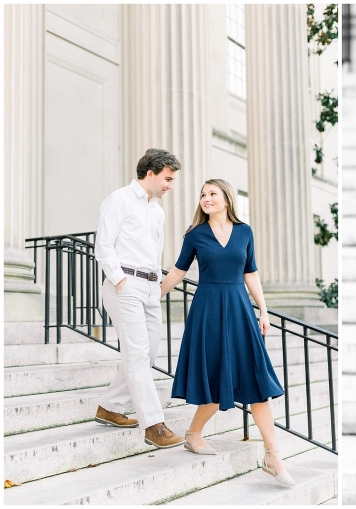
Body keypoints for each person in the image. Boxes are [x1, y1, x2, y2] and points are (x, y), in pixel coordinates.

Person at [160, 179, 293, 486]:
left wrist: (263, 309)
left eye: (212, 194)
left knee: (258, 381)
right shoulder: (196, 235)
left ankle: (273, 455)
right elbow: (179, 270)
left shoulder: (245, 232)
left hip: (238, 309)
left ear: (226, 199)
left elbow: (250, 272)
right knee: (214, 377)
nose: (206, 198)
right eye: (203, 195)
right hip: (207, 311)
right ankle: (194, 434)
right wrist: (156, 295)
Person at [94, 148, 185, 449]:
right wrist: (119, 280)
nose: (170, 185)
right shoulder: (118, 199)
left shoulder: (157, 210)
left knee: (148, 355)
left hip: (149, 287)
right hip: (125, 285)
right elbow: (104, 245)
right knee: (136, 354)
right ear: (151, 173)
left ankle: (109, 406)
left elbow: (155, 252)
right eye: (168, 178)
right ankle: (154, 426)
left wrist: (156, 285)